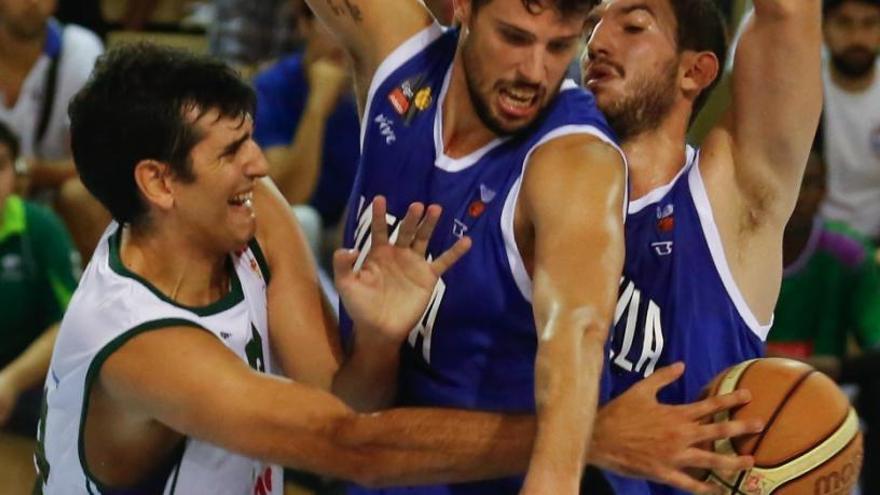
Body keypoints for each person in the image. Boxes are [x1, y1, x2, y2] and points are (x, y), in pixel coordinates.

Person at [40, 43, 756, 495]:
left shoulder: (257, 219)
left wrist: (380, 340)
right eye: (231, 152)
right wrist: (589, 435)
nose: (259, 164)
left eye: (250, 140)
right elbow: (348, 447)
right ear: (159, 184)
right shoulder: (142, 346)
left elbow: (341, 403)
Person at [306, 0, 760, 493]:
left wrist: (555, 480)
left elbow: (578, 334)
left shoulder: (577, 160)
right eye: (514, 38)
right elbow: (356, 419)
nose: (534, 72)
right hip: (376, 462)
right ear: (463, 8)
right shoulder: (401, 59)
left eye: (561, 46)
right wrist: (377, 343)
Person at [582, 0, 822, 493]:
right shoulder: (529, 194)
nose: (598, 43)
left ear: (695, 71)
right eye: (591, 26)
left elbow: (789, 12)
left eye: (633, 26)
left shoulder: (728, 195)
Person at [767, 152, 880, 493]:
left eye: (811, 183)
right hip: (745, 386)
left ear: (825, 190)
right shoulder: (735, 245)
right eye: (793, 181)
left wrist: (831, 369)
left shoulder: (850, 253)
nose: (800, 195)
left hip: (827, 392)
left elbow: (876, 346)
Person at [0, 120, 78, 491]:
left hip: (27, 383)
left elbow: (70, 324)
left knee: (78, 415)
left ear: (14, 176)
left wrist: (10, 380)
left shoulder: (41, 229)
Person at [0, 0, 107, 261]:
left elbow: (98, 162)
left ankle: (101, 291)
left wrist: (34, 171)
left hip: (52, 190)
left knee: (81, 195)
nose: (32, 2)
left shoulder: (80, 49)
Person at [254, 0, 359, 232]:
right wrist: (317, 108)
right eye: (333, 20)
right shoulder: (272, 88)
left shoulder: (381, 88)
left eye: (355, 20)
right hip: (296, 231)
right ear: (304, 24)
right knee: (303, 219)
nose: (345, 34)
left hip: (351, 229)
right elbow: (289, 197)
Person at [816, 0, 880, 241]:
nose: (857, 37)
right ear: (823, 27)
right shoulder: (802, 92)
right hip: (813, 242)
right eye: (844, 23)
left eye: (870, 23)